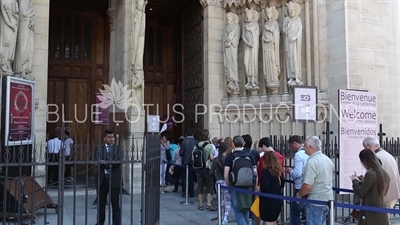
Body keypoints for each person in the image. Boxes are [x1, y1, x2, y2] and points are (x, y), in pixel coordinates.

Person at [296, 136, 334, 225]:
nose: (303, 148)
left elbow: (308, 186)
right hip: (327, 198)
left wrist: (299, 195)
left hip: (315, 201)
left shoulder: (312, 162)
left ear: (310, 147)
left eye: (305, 145)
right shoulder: (327, 160)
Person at [362, 136, 400, 216]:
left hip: (383, 194)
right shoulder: (388, 155)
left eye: (365, 148)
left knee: (381, 219)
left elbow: (375, 177)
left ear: (369, 146)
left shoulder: (376, 157)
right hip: (392, 192)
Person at [351, 149, 390, 225]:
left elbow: (360, 192)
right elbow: (379, 189)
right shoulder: (384, 173)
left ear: (365, 161)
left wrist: (354, 180)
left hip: (370, 213)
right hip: (381, 212)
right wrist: (363, 181)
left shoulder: (370, 174)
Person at [224, 135, 256, 225]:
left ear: (233, 144)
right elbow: (255, 172)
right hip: (248, 186)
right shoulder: (250, 156)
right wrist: (255, 185)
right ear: (243, 143)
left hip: (235, 186)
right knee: (246, 209)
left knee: (238, 211)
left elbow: (226, 174)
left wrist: (228, 186)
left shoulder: (230, 157)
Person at [95, 129, 123, 225]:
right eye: (109, 137)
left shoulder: (118, 149)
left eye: (112, 137)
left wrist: (105, 162)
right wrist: (109, 163)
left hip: (114, 179)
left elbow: (118, 162)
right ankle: (100, 223)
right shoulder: (99, 149)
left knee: (115, 204)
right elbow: (98, 162)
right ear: (104, 138)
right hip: (102, 179)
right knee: (101, 205)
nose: (111, 139)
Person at [286, 135, 308, 225]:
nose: (292, 149)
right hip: (309, 185)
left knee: (295, 212)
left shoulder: (299, 155)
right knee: (308, 212)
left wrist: (290, 172)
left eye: (292, 146)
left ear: (295, 143)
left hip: (300, 186)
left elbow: (298, 173)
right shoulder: (309, 152)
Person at [193, 130, 216, 211]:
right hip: (207, 168)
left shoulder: (196, 145)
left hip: (198, 169)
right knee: (209, 186)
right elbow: (211, 157)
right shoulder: (209, 146)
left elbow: (193, 158)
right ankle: (209, 204)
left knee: (200, 186)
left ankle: (200, 204)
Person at [259, 151, 285, 225]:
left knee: (268, 220)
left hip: (268, 199)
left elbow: (265, 186)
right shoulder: (279, 170)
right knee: (274, 220)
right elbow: (282, 184)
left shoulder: (265, 171)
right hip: (278, 197)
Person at [210, 142, 231, 225]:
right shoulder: (227, 159)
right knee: (227, 201)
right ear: (226, 149)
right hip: (226, 181)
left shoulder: (215, 160)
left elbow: (211, 172)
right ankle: (225, 219)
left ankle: (221, 217)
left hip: (218, 181)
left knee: (221, 201)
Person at [179, 130, 198, 198]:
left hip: (185, 162)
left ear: (186, 134)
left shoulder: (184, 142)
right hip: (193, 162)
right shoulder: (196, 142)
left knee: (184, 177)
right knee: (191, 178)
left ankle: (185, 191)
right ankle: (191, 192)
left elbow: (181, 153)